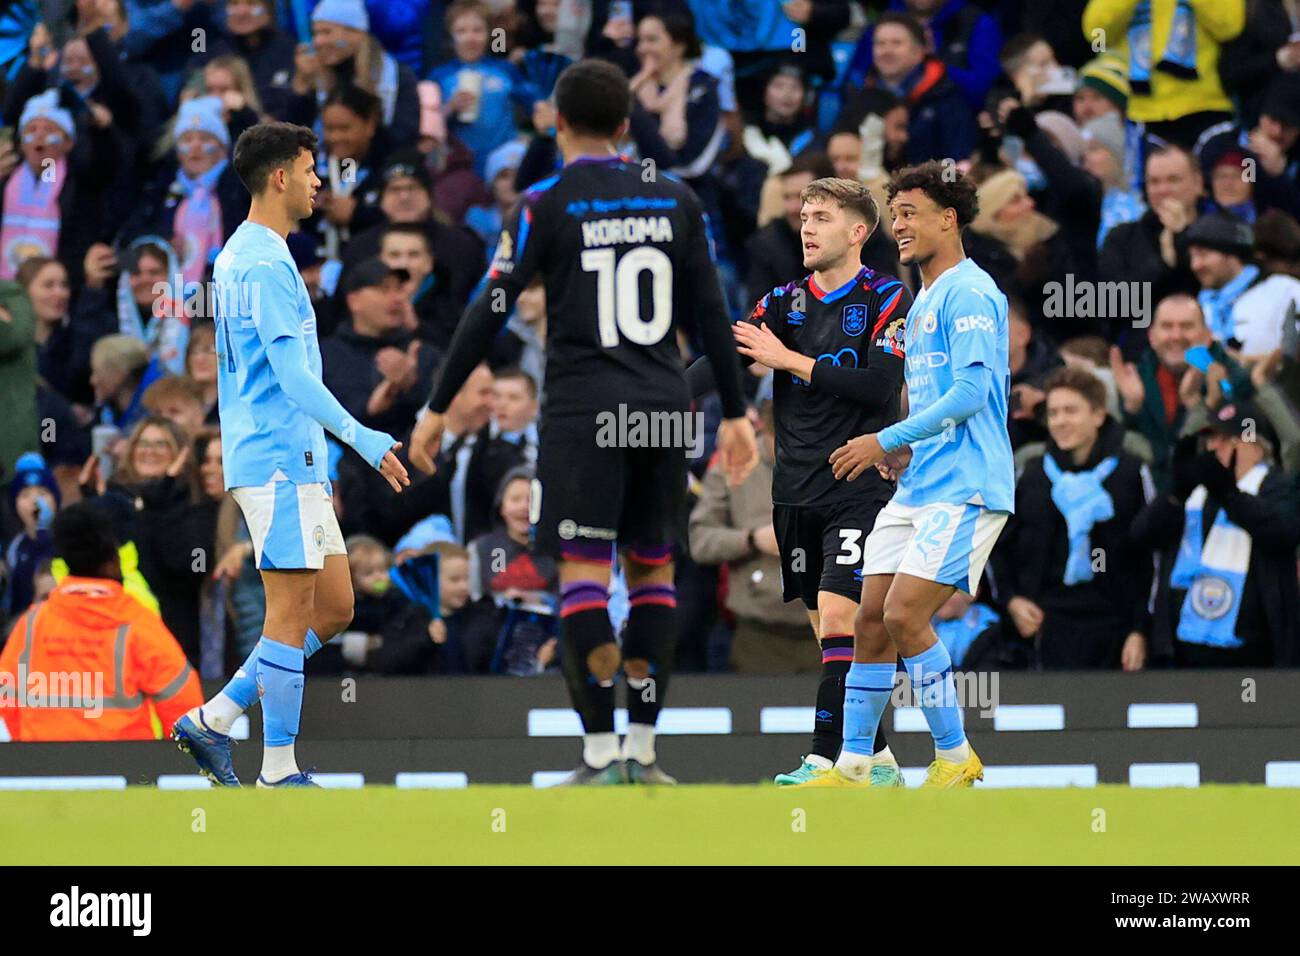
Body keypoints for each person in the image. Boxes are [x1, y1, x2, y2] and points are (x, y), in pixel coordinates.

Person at [410, 59, 756, 785]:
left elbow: (491, 306)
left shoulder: (543, 200)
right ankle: (646, 751)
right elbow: (713, 316)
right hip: (664, 413)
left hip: (583, 412)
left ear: (557, 120)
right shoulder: (676, 197)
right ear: (627, 126)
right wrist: (738, 413)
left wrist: (438, 406)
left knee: (583, 580)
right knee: (653, 571)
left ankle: (599, 753)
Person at [171, 121, 409, 789]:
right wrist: (363, 438)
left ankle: (215, 718)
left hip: (293, 461)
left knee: (333, 606)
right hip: (276, 462)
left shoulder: (246, 252)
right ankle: (279, 770)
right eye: (310, 170)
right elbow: (292, 374)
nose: (318, 183)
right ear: (281, 177)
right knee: (287, 610)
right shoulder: (266, 263)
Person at [688, 176, 909, 786]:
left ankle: (824, 757)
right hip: (794, 491)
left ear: (858, 231)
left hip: (857, 485)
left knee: (842, 622)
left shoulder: (889, 299)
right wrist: (653, 406)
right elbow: (723, 361)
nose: (806, 226)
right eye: (804, 215)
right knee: (830, 638)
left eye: (821, 216)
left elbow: (879, 386)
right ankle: (881, 760)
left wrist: (788, 361)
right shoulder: (783, 302)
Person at [807, 161, 1013, 789]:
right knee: (869, 619)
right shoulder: (925, 297)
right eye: (893, 215)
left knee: (903, 617)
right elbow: (932, 400)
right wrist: (903, 452)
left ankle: (955, 757)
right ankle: (853, 764)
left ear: (948, 219)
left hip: (966, 486)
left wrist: (884, 439)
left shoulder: (969, 291)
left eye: (910, 214)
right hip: (921, 483)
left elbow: (973, 390)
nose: (898, 226)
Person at [991, 366, 1155, 669]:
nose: (1061, 421)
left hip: (1116, 630)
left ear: (1098, 415)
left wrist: (1139, 630)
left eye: (1071, 411)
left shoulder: (1130, 474)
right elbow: (997, 546)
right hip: (1045, 625)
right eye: (1053, 413)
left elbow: (1150, 558)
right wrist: (1012, 600)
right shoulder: (1032, 474)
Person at [0, 502, 202, 741]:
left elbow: (6, 698)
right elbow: (185, 707)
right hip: (126, 768)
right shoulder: (137, 625)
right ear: (112, 558)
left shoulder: (31, 625)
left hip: (44, 771)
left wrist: (31, 744)